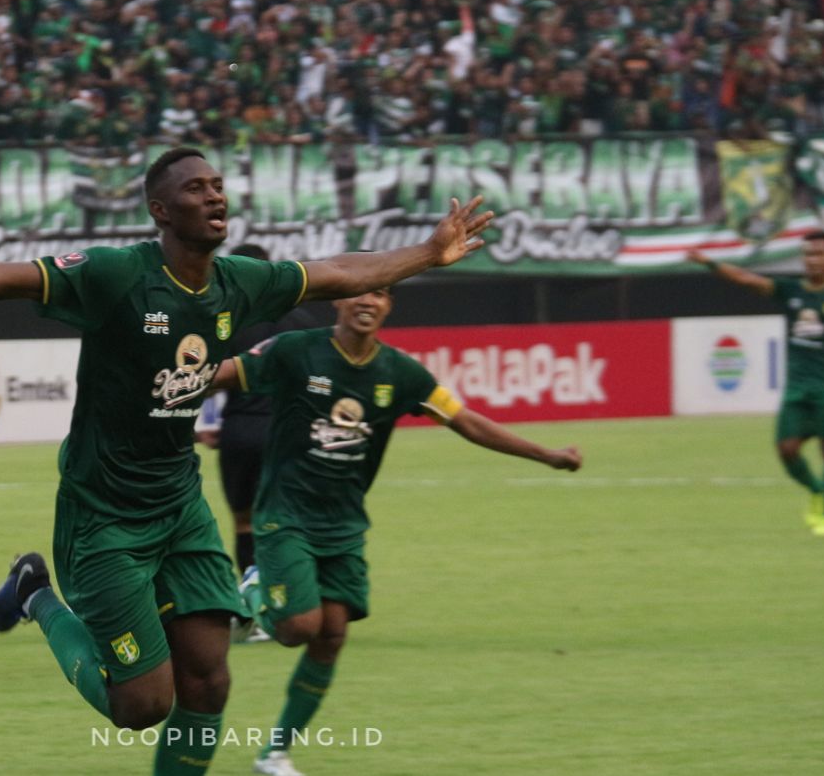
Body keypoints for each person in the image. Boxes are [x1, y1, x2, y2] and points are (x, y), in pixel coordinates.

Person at [0, 146, 493, 775]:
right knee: (143, 705)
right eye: (195, 189)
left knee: (209, 681)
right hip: (103, 515)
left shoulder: (241, 280)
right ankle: (36, 593)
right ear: (159, 211)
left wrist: (428, 252)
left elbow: (336, 271)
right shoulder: (114, 275)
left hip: (179, 507)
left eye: (217, 186)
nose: (215, 195)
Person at [210, 287, 582, 776]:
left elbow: (465, 421)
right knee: (298, 628)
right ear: (338, 302)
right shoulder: (298, 350)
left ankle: (274, 752)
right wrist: (150, 389)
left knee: (333, 636)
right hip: (286, 513)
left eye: (381, 293)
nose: (368, 300)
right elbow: (221, 375)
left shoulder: (400, 372)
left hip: (344, 524)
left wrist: (547, 454)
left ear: (388, 307)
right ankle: (255, 584)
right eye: (357, 292)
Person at [688, 232, 824, 537]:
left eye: (819, 254)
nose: (813, 260)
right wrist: (707, 263)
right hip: (796, 388)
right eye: (808, 254)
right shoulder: (790, 290)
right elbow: (745, 279)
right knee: (786, 450)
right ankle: (819, 491)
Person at [217, 244, 317, 578]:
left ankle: (251, 602)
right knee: (283, 519)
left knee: (244, 521)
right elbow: (315, 381)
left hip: (239, 432)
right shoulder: (301, 320)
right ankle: (286, 597)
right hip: (285, 433)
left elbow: (204, 377)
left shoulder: (228, 320)